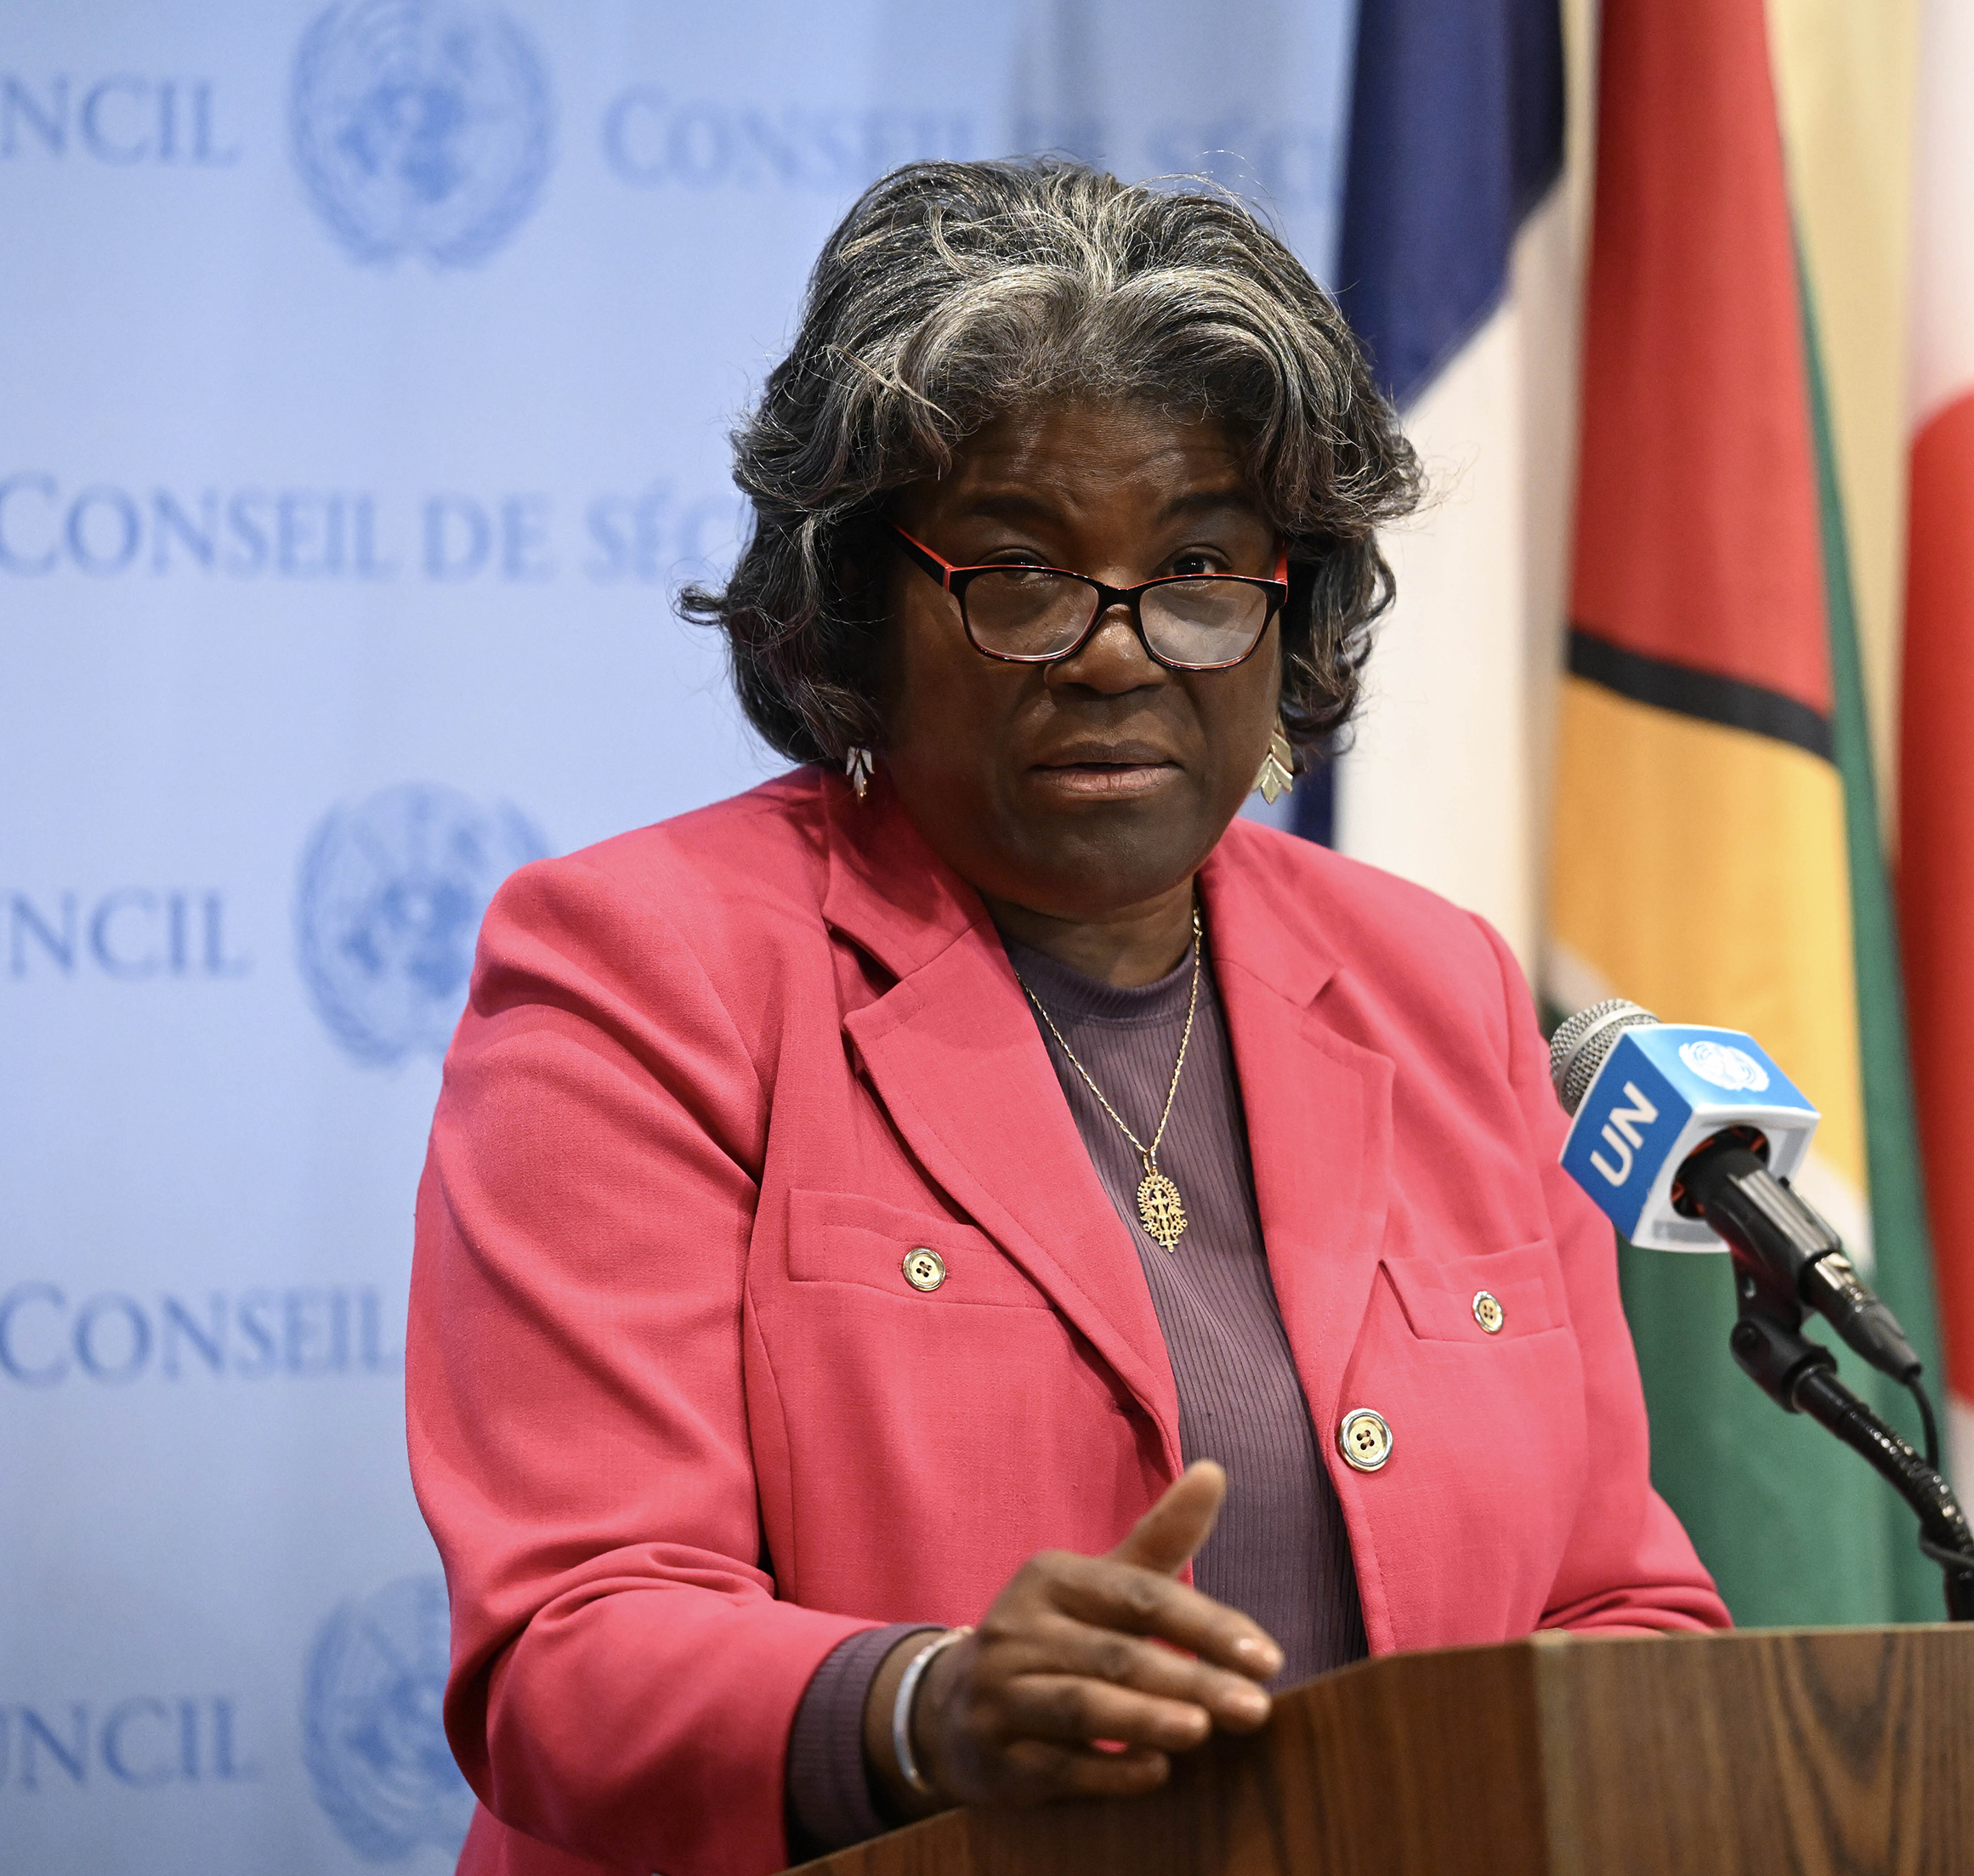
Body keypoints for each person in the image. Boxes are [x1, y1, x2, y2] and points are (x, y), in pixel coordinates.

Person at [406, 157, 1728, 1876]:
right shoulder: (642, 969)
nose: (1119, 652)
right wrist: (926, 1708)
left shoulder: (1436, 986)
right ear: (860, 607)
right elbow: (568, 1649)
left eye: (1197, 569)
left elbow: (1624, 1598)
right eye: (1022, 574)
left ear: (1293, 606)